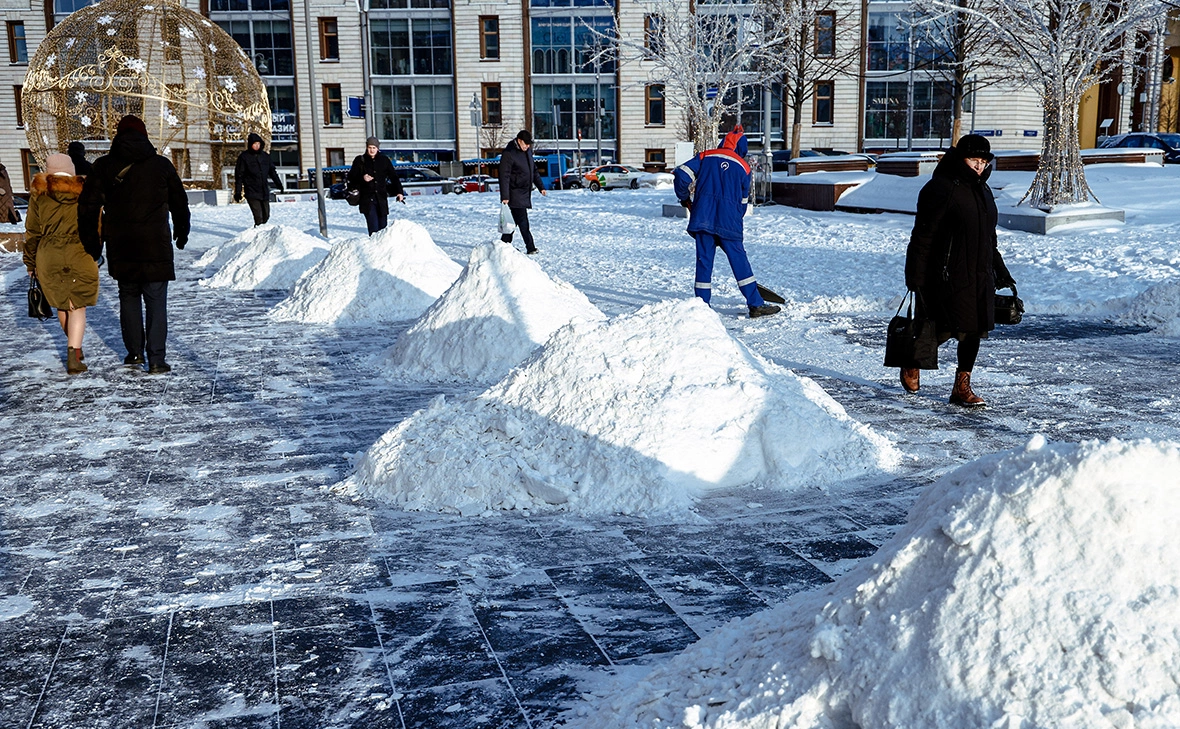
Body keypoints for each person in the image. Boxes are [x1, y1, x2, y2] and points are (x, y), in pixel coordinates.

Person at [903, 133, 1015, 407]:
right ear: (960, 158)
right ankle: (911, 361)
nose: (979, 166)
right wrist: (915, 276)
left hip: (979, 272)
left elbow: (989, 237)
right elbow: (923, 236)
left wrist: (1000, 270)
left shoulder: (984, 191)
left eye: (983, 161)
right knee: (942, 328)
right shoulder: (941, 188)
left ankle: (961, 386)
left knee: (974, 330)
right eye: (974, 160)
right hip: (947, 273)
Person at [78, 114, 191, 374]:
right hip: (155, 244)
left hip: (121, 244)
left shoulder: (103, 166)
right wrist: (182, 230)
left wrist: (92, 245)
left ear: (118, 136)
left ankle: (134, 353)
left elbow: (88, 207)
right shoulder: (161, 165)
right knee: (156, 300)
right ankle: (157, 360)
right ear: (144, 135)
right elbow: (179, 201)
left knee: (128, 297)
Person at [674, 125, 780, 318]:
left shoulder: (706, 156)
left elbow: (682, 173)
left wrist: (684, 198)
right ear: (742, 149)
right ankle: (756, 304)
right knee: (739, 260)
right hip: (729, 223)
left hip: (703, 218)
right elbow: (743, 201)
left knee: (704, 262)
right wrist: (733, 217)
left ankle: (702, 306)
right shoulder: (744, 167)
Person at [23, 154, 97, 375]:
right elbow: (96, 226)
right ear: (71, 171)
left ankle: (74, 349)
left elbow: (32, 232)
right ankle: (74, 354)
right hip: (78, 252)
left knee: (63, 305)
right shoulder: (85, 193)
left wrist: (30, 262)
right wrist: (96, 251)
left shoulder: (39, 196)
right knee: (78, 305)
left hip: (49, 255)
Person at [498, 129, 547, 254]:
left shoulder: (527, 152)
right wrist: (505, 196)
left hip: (524, 193)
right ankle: (530, 247)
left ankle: (503, 246)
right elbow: (504, 176)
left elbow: (533, 171)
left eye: (529, 144)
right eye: (526, 143)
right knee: (522, 222)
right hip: (514, 193)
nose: (528, 146)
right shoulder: (509, 153)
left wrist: (541, 186)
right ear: (519, 141)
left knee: (513, 222)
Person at [347, 136, 404, 235]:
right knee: (374, 229)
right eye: (370, 147)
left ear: (378, 148)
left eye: (374, 148)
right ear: (366, 148)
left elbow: (393, 177)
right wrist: (362, 178)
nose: (372, 150)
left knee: (383, 230)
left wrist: (399, 192)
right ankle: (374, 249)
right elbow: (351, 178)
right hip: (367, 200)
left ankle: (383, 250)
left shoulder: (384, 160)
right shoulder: (359, 160)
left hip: (381, 199)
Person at [234, 132, 284, 226]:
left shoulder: (265, 156)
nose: (257, 146)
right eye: (254, 144)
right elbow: (239, 176)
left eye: (258, 144)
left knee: (266, 216)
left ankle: (259, 233)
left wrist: (279, 184)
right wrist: (238, 192)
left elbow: (272, 172)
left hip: (264, 191)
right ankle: (257, 236)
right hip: (251, 191)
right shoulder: (244, 157)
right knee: (259, 217)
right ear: (250, 145)